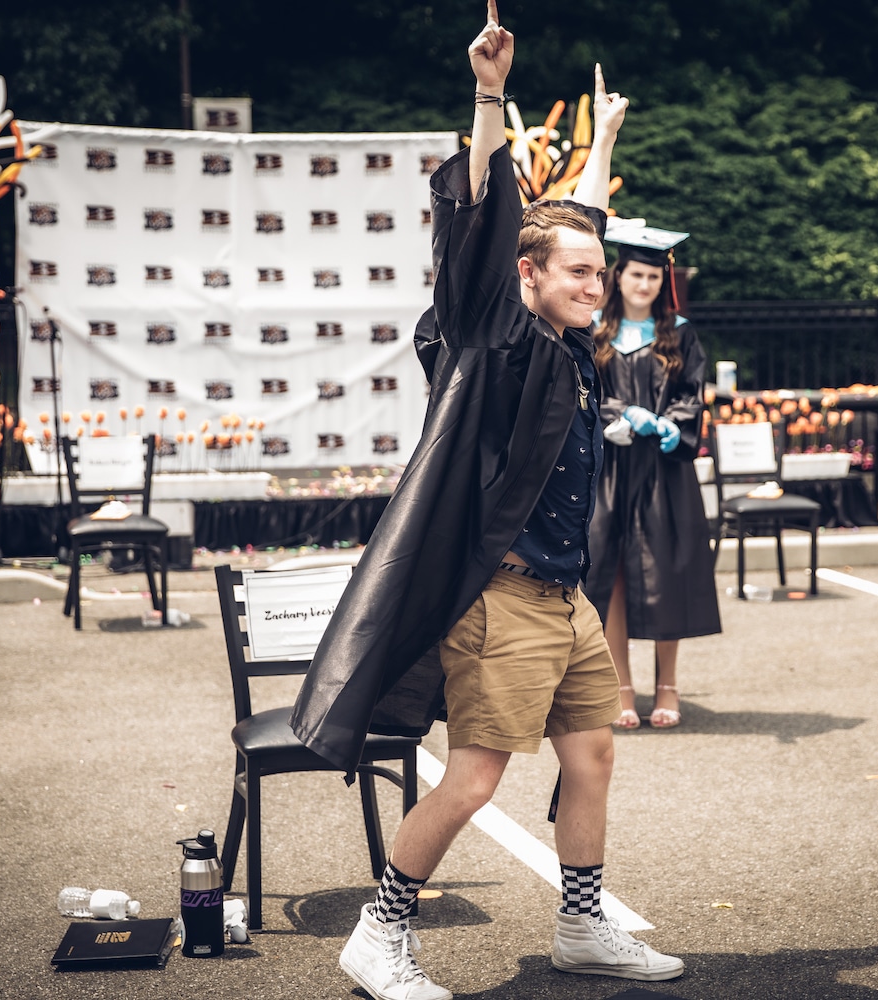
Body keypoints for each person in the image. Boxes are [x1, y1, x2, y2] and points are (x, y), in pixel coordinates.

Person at [289, 4, 685, 998]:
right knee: (472, 778)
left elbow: (572, 229)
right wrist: (488, 95)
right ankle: (379, 934)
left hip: (564, 599)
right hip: (501, 598)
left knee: (591, 754)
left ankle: (582, 927)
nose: (596, 286)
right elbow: (481, 224)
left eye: (601, 274)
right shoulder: (490, 338)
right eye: (578, 274)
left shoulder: (569, 344)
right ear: (523, 276)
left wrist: (602, 148)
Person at [588, 225, 721, 730]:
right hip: (610, 468)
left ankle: (668, 686)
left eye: (652, 277)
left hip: (664, 472)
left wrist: (671, 424)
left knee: (666, 571)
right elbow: (582, 389)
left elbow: (692, 392)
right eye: (636, 275)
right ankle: (621, 687)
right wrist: (619, 416)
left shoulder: (679, 332)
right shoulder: (594, 330)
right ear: (618, 276)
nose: (644, 285)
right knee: (613, 575)